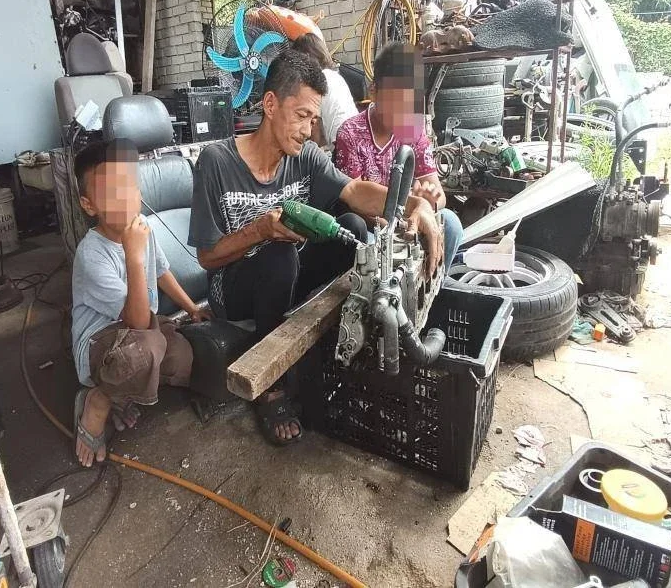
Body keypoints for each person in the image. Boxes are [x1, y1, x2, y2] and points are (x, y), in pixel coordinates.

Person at [189, 50, 443, 445]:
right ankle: (271, 390)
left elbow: (356, 190)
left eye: (313, 118)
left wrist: (416, 204)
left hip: (285, 272)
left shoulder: (305, 156)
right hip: (234, 288)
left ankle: (333, 346)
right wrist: (259, 231)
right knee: (278, 252)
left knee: (352, 226)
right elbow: (207, 257)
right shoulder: (216, 161)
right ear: (270, 104)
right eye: (301, 115)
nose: (309, 130)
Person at [70, 140, 209, 467]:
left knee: (183, 359)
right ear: (89, 205)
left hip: (142, 327)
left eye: (128, 186)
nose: (124, 199)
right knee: (143, 353)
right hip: (102, 340)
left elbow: (161, 272)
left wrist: (191, 308)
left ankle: (123, 391)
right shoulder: (92, 254)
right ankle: (98, 399)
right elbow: (133, 320)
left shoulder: (143, 230)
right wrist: (133, 256)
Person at [335, 42, 463, 269]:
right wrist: (406, 219)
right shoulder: (351, 133)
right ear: (374, 90)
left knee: (451, 224)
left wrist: (430, 201)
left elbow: (439, 195)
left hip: (409, 218)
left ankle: (432, 294)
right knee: (372, 247)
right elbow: (352, 202)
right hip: (373, 226)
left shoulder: (413, 130)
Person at [290, 33, 357, 149]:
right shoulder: (336, 77)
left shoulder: (317, 82)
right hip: (358, 140)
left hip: (343, 148)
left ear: (305, 57)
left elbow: (315, 134)